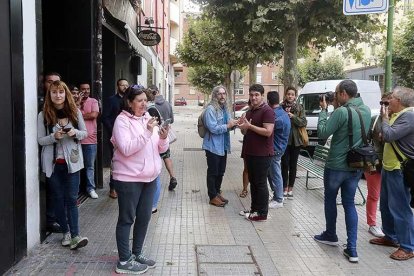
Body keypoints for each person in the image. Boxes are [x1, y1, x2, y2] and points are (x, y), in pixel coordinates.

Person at [111, 85, 169, 274]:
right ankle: (124, 260)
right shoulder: (121, 121)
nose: (144, 104)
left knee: (144, 218)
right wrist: (146, 132)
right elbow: (127, 149)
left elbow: (159, 149)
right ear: (129, 102)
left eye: (146, 100)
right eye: (139, 100)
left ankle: (136, 253)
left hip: (150, 177)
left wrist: (163, 138)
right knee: (127, 219)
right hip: (128, 178)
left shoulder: (147, 118)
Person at [314, 80, 371, 263]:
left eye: (337, 93)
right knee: (349, 204)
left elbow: (323, 133)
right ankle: (352, 249)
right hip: (355, 166)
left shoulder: (341, 112)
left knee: (330, 200)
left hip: (336, 166)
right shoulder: (366, 110)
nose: (335, 97)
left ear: (344, 94)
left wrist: (324, 111)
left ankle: (331, 234)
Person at [37, 80, 89, 249]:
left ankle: (75, 235)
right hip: (52, 164)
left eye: (61, 92)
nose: (58, 95)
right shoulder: (43, 115)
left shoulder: (75, 113)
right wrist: (54, 137)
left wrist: (74, 132)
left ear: (65, 93)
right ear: (49, 95)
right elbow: (40, 140)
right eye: (54, 92)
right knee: (58, 200)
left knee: (72, 199)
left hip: (72, 163)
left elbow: (85, 134)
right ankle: (66, 233)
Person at [369, 86, 414, 261]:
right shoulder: (401, 115)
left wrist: (385, 118)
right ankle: (390, 236)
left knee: (400, 208)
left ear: (400, 101)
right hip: (389, 167)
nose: (389, 101)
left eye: (392, 98)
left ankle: (408, 247)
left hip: (399, 168)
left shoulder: (409, 116)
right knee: (386, 205)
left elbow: (388, 135)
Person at [238, 84, 274, 221]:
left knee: (260, 183)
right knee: (253, 182)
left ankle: (262, 213)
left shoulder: (267, 111)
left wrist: (250, 126)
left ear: (262, 96)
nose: (253, 97)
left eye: (256, 95)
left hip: (263, 154)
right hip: (250, 153)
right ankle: (254, 209)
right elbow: (245, 131)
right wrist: (243, 127)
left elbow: (268, 132)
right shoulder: (250, 111)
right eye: (251, 95)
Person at [202, 85, 238, 207]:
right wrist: (228, 126)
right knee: (213, 172)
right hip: (212, 146)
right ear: (215, 95)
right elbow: (212, 128)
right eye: (219, 94)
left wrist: (235, 124)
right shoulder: (210, 109)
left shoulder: (225, 109)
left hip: (223, 146)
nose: (222, 96)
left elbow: (229, 124)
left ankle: (217, 193)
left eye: (224, 93)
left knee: (221, 172)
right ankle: (212, 196)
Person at [364, 94, 392, 238]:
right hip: (374, 162)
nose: (384, 106)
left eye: (387, 103)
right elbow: (366, 138)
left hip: (392, 163)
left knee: (389, 197)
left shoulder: (398, 120)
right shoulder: (375, 120)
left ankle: (389, 227)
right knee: (374, 194)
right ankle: (372, 223)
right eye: (382, 103)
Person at [40, 71, 62, 233]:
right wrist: (54, 137)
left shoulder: (66, 107)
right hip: (48, 155)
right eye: (50, 82)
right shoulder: (42, 108)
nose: (53, 85)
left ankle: (60, 219)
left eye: (57, 83)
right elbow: (41, 139)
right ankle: (50, 219)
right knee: (52, 189)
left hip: (65, 156)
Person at [102, 78, 129, 199]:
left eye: (126, 85)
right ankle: (112, 188)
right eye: (122, 85)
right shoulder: (111, 100)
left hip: (129, 137)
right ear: (117, 86)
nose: (125, 87)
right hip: (114, 138)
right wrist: (113, 130)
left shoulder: (130, 100)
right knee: (116, 161)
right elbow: (105, 118)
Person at [280, 87, 307, 199]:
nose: (290, 96)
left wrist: (293, 117)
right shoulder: (281, 107)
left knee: (293, 165)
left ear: (295, 96)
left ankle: (291, 188)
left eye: (292, 94)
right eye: (288, 94)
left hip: (296, 141)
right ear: (285, 95)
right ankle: (284, 187)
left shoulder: (299, 107)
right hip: (284, 140)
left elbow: (303, 122)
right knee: (284, 164)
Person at [151, 85, 178, 191]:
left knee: (153, 158)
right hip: (164, 135)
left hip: (153, 136)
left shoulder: (150, 105)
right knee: (167, 157)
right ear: (158, 91)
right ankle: (172, 177)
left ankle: (154, 181)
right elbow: (172, 120)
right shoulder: (167, 104)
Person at [267, 91, 291, 209]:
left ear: (268, 101)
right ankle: (277, 195)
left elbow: (267, 130)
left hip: (275, 148)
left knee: (275, 174)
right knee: (273, 173)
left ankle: (278, 199)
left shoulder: (274, 116)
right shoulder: (283, 113)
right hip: (281, 147)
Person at [79, 82, 100, 199]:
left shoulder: (93, 101)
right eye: (83, 89)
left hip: (90, 140)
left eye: (88, 89)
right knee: (76, 167)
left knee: (89, 166)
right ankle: (77, 189)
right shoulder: (74, 102)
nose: (86, 91)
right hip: (76, 140)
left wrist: (78, 115)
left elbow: (93, 115)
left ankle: (90, 188)